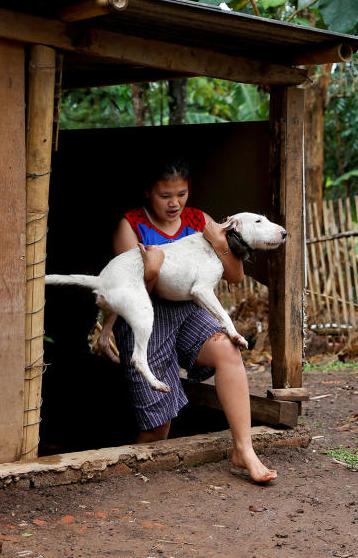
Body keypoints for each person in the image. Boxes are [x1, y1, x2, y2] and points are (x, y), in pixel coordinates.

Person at [110, 158, 277, 484]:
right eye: (165, 195)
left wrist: (219, 244)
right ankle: (133, 476)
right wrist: (153, 271)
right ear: (148, 192)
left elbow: (235, 277)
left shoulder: (201, 220)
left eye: (182, 194)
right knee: (157, 425)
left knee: (228, 350)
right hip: (146, 315)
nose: (175, 203)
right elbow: (126, 292)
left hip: (190, 310)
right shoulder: (129, 226)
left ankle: (244, 450)